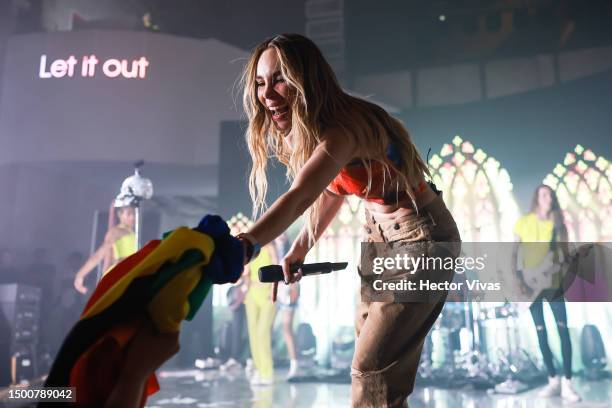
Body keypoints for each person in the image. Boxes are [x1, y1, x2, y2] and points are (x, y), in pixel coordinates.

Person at [234, 33, 460, 407]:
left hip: (421, 240)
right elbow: (331, 190)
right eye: (260, 82)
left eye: (279, 79)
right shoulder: (311, 129)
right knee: (377, 375)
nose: (268, 93)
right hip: (380, 237)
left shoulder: (342, 130)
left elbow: (300, 197)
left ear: (307, 80)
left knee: (372, 370)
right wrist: (300, 247)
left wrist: (245, 244)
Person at [512, 185, 581, 402]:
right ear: (536, 198)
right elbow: (513, 254)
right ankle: (553, 380)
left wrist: (564, 260)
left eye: (550, 194)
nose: (548, 197)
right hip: (529, 286)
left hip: (553, 284)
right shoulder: (524, 222)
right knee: (540, 332)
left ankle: (568, 383)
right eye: (544, 194)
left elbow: (566, 253)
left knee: (563, 331)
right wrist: (518, 282)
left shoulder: (558, 224)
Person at [74, 200, 136, 294]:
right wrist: (80, 274)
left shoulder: (132, 232)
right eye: (129, 214)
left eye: (134, 213)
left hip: (127, 274)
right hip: (117, 275)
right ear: (120, 215)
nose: (133, 217)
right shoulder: (116, 231)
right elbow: (99, 255)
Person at [242, 243, 278, 385]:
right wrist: (246, 284)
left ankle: (267, 373)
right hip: (252, 292)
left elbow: (277, 269)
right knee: (253, 333)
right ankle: (258, 370)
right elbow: (245, 270)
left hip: (268, 294)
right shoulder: (250, 248)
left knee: (262, 333)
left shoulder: (270, 246)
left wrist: (272, 291)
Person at [273, 234, 301, 380]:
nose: (280, 237)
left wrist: (293, 290)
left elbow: (296, 272)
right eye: (278, 235)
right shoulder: (272, 249)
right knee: (277, 328)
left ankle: (295, 364)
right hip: (276, 291)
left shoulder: (291, 249)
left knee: (287, 328)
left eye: (283, 234)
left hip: (289, 290)